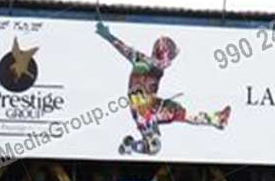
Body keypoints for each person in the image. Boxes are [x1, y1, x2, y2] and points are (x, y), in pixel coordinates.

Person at [95, 21, 230, 151]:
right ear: (164, 56)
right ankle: (132, 146)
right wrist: (108, 36)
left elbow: (124, 48)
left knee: (179, 112)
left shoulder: (144, 61)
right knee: (154, 145)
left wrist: (107, 35)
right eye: (170, 58)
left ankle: (216, 119)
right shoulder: (144, 63)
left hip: (150, 104)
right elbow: (124, 49)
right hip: (143, 108)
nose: (169, 63)